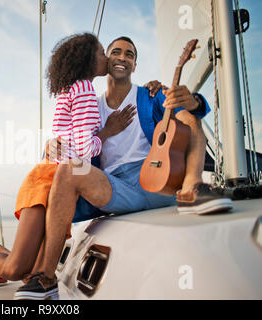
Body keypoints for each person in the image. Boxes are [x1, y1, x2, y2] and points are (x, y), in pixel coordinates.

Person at [14, 36, 233, 299]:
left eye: (129, 54)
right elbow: (69, 145)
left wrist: (194, 102)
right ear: (105, 60)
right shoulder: (89, 105)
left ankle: (192, 188)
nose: (122, 57)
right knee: (66, 170)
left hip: (154, 182)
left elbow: (192, 113)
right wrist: (51, 145)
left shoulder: (151, 95)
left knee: (189, 120)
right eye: (116, 52)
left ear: (134, 65)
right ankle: (46, 279)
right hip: (112, 187)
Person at [0, 33, 109, 297]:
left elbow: (69, 140)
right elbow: (86, 147)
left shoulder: (71, 88)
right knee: (16, 270)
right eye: (101, 52)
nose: (106, 58)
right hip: (50, 183)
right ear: (88, 58)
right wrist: (108, 134)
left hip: (52, 180)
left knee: (33, 273)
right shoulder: (85, 89)